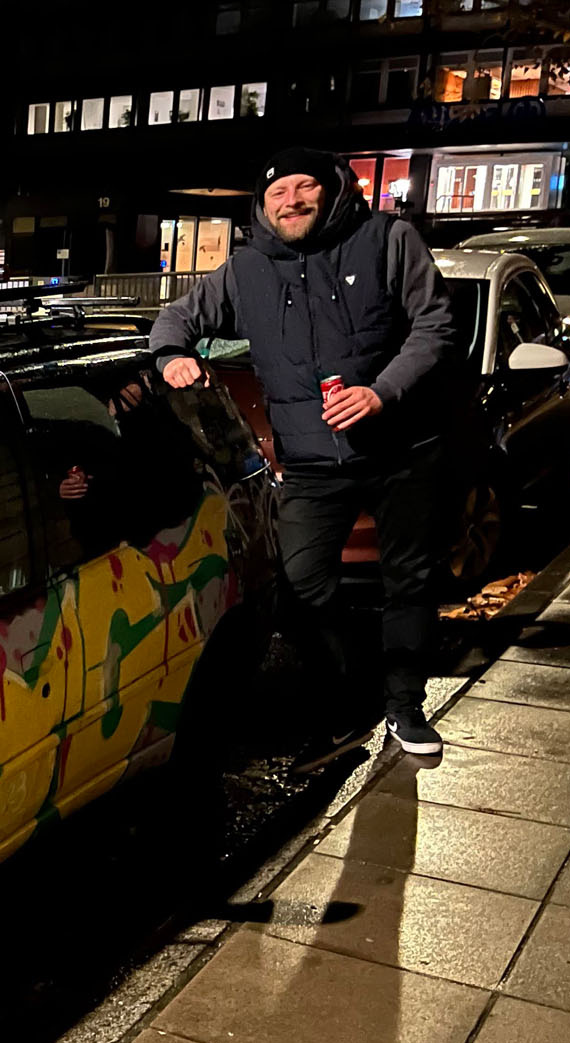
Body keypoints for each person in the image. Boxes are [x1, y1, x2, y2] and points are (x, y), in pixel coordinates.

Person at [151, 146, 460, 760]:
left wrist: (382, 393)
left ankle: (405, 706)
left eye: (303, 187)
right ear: (263, 206)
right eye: (277, 193)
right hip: (313, 462)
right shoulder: (246, 268)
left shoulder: (389, 239)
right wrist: (172, 357)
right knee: (300, 584)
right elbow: (175, 319)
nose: (290, 201)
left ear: (334, 189)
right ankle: (350, 698)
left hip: (402, 449)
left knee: (409, 582)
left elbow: (436, 326)